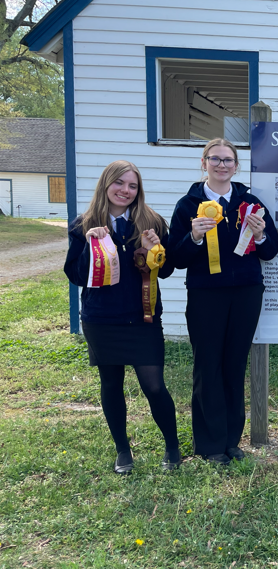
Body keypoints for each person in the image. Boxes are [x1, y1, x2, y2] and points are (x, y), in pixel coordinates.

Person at [168, 138, 278, 465]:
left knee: (233, 366)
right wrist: (195, 237)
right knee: (207, 367)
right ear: (204, 163)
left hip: (246, 293)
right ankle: (209, 445)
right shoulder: (188, 206)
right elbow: (175, 257)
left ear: (236, 166)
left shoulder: (251, 204)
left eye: (228, 160)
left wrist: (259, 235)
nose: (221, 165)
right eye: (215, 159)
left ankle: (232, 441)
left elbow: (271, 251)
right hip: (205, 295)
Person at [63, 160, 179, 474]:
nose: (125, 191)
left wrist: (156, 250)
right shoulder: (82, 224)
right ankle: (123, 451)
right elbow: (74, 274)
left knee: (154, 387)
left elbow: (166, 272)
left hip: (143, 319)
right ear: (106, 184)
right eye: (120, 183)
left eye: (133, 186)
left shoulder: (151, 222)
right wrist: (90, 245)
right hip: (102, 320)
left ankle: (172, 447)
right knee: (111, 384)